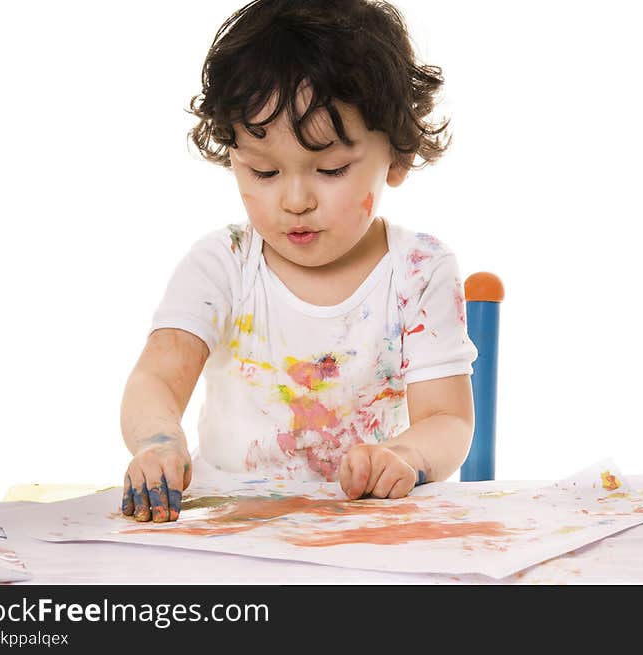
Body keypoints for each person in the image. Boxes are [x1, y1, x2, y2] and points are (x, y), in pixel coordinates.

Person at [120, 0, 478, 523]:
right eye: (263, 172)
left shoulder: (419, 270)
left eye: (330, 168)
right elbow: (156, 378)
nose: (294, 200)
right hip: (228, 525)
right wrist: (157, 442)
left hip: (366, 527)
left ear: (398, 155)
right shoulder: (224, 264)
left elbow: (447, 417)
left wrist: (405, 455)